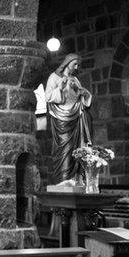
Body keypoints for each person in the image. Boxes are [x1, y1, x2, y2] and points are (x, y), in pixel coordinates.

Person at [45, 53, 93, 185]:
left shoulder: (75, 79)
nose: (76, 67)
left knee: (76, 147)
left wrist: (83, 93)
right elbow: (48, 97)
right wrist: (59, 88)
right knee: (64, 149)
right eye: (74, 64)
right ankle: (63, 180)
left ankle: (75, 179)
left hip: (76, 116)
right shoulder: (54, 77)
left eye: (78, 65)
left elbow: (80, 97)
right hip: (61, 119)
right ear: (67, 63)